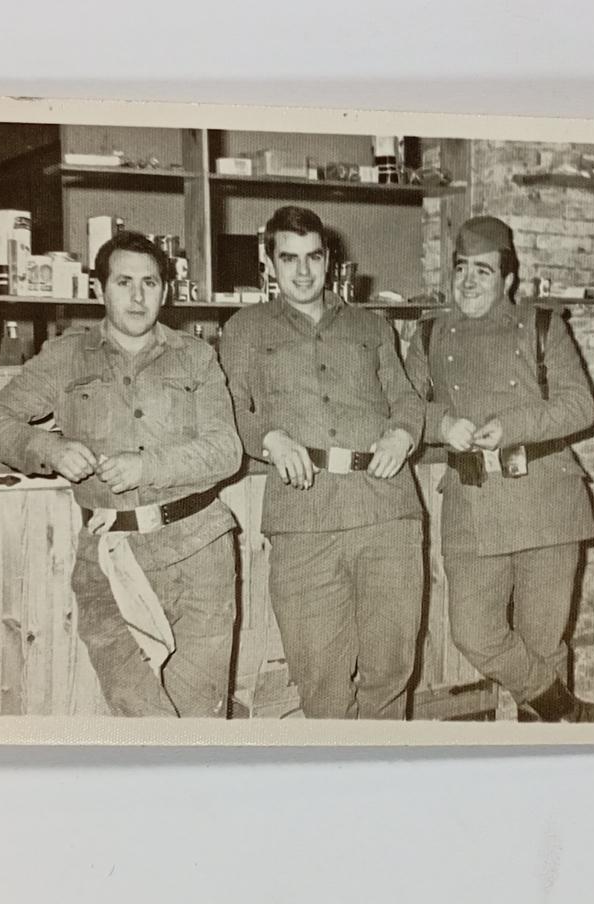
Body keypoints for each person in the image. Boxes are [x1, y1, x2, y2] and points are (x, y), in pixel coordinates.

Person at [0, 231, 243, 717]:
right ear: (100, 290)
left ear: (166, 290)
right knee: (140, 716)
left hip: (199, 553)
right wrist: (46, 446)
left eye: (150, 283)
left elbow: (226, 451)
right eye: (124, 282)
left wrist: (148, 466)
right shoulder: (65, 357)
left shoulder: (196, 356)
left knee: (201, 717)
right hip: (110, 559)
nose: (138, 297)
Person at [217, 205, 425, 720]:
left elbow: (407, 398)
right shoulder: (243, 330)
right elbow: (231, 413)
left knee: (391, 669)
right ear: (269, 264)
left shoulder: (371, 326)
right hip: (303, 520)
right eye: (289, 258)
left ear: (329, 260)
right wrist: (269, 437)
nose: (303, 271)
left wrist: (403, 433)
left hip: (386, 511)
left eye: (313, 257)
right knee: (320, 678)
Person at [404, 215, 594, 723]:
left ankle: (537, 752)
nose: (469, 282)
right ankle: (565, 710)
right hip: (472, 503)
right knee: (473, 632)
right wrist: (441, 422)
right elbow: (403, 408)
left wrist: (511, 424)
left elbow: (580, 407)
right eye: (461, 270)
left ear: (508, 281)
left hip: (545, 499)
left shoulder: (541, 325)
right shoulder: (429, 333)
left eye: (483, 271)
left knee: (543, 643)